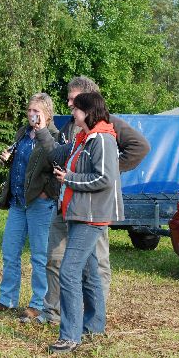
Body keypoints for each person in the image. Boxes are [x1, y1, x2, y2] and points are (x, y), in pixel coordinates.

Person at [32, 76, 150, 325]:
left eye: (73, 100)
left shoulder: (108, 124)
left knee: (94, 266)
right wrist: (42, 131)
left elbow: (140, 146)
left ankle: (93, 317)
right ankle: (53, 312)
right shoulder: (73, 128)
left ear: (88, 101)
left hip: (93, 208)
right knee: (55, 258)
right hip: (68, 204)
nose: (68, 104)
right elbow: (56, 153)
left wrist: (107, 170)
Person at [48, 92, 123, 354]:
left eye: (76, 107)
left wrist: (69, 179)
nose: (71, 109)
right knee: (89, 272)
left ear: (88, 111)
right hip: (81, 214)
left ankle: (69, 336)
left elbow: (105, 178)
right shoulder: (86, 138)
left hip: (91, 217)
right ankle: (93, 326)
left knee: (68, 272)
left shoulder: (101, 139)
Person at [0, 93, 58, 320]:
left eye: (36, 111)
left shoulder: (54, 136)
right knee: (10, 252)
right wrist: (9, 155)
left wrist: (48, 191)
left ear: (47, 113)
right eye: (29, 111)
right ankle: (6, 299)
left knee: (39, 256)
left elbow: (61, 166)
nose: (32, 115)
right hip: (18, 202)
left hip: (39, 204)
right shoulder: (23, 133)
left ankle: (38, 304)